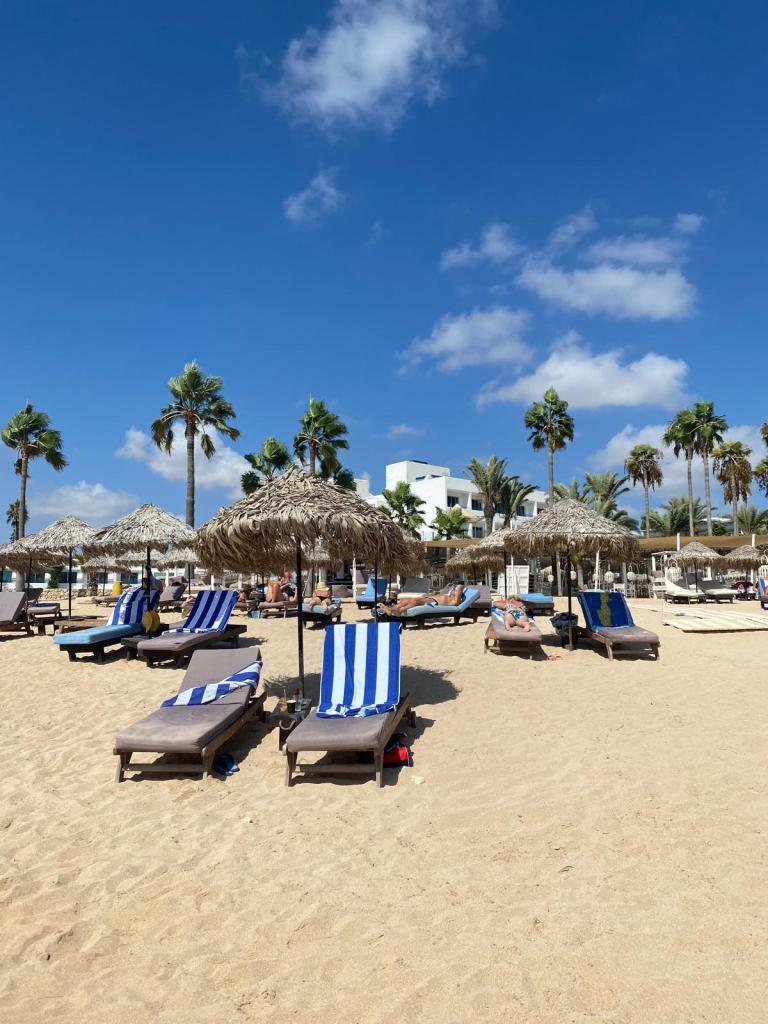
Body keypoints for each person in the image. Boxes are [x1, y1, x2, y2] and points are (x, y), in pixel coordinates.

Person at [377, 583, 465, 617]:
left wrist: (458, 588)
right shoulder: (450, 596)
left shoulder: (455, 600)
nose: (454, 589)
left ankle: (400, 610)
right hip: (431, 599)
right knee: (405, 600)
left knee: (415, 601)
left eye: (455, 589)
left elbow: (457, 597)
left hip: (434, 602)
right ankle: (392, 609)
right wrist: (435, 594)